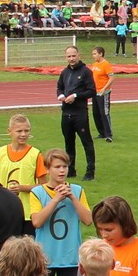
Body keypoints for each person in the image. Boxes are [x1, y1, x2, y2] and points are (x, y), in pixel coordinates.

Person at [55, 46, 98, 180]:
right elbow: (59, 87)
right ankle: (71, 169)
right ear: (65, 57)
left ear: (79, 56)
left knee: (86, 142)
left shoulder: (86, 72)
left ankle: (90, 171)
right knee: (68, 143)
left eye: (73, 56)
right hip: (66, 113)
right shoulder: (64, 72)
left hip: (80, 113)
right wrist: (61, 96)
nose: (71, 59)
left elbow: (92, 91)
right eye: (69, 56)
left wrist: (76, 96)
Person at [90, 46, 116, 143]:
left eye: (95, 54)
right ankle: (101, 132)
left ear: (101, 54)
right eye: (93, 54)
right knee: (96, 113)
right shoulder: (94, 64)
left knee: (104, 113)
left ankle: (108, 134)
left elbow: (112, 78)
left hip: (103, 93)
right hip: (95, 92)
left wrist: (104, 88)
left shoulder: (106, 64)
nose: (93, 56)